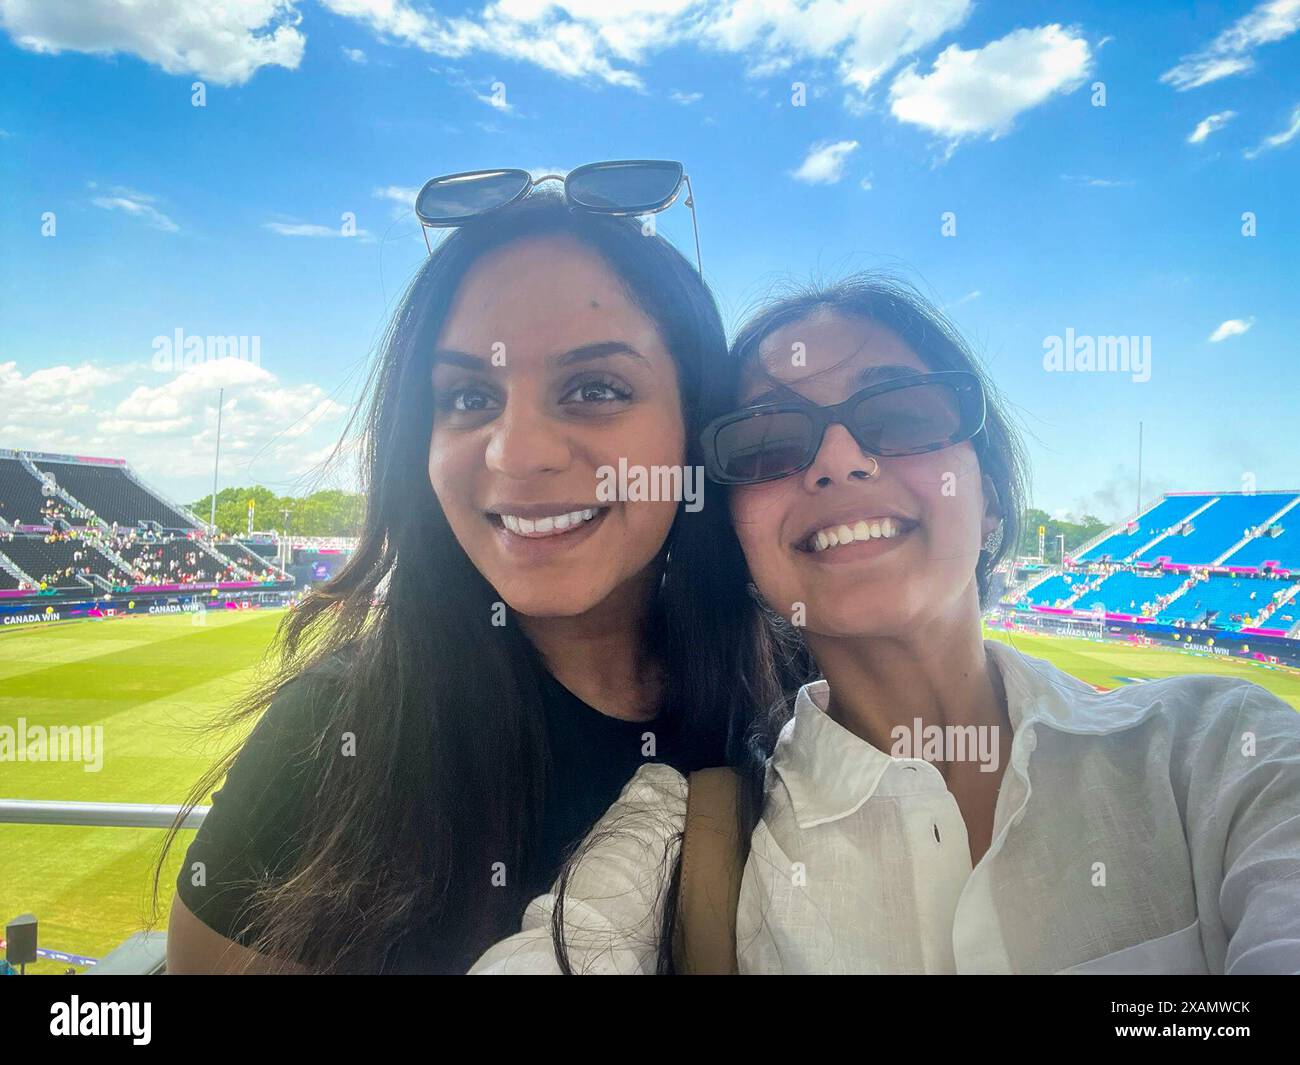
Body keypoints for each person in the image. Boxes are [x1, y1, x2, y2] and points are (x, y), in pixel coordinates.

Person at [473, 275, 1300, 974]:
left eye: (901, 416)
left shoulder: (1225, 758)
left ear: (990, 503)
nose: (838, 459)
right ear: (736, 538)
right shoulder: (677, 833)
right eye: (766, 443)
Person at [160, 188, 797, 974]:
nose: (516, 453)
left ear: (693, 426)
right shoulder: (334, 736)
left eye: (595, 387)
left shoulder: (796, 692)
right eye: (467, 397)